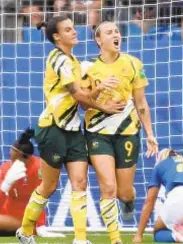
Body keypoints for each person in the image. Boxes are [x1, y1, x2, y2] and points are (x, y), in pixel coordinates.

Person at [16, 16, 124, 244]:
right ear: (57, 36)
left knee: (80, 182)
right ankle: (25, 230)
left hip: (74, 129)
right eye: (68, 29)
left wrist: (99, 88)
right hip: (52, 128)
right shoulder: (59, 60)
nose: (74, 32)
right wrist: (104, 105)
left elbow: (83, 101)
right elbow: (77, 94)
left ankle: (80, 239)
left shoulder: (74, 60)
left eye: (74, 28)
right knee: (49, 185)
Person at [81, 21, 158, 244]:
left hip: (127, 132)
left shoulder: (133, 64)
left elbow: (141, 102)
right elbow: (84, 105)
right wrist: (99, 88)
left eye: (117, 31)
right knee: (108, 187)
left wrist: (150, 134)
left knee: (124, 192)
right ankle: (115, 239)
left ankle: (128, 202)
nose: (116, 35)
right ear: (98, 40)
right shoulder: (88, 68)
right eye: (109, 32)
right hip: (98, 132)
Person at [132, 148, 183, 244]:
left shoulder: (160, 165)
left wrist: (139, 234)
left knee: (158, 232)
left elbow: (149, 202)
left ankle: (176, 236)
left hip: (179, 196)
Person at [0, 128, 64, 238]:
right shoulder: (5, 169)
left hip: (24, 220)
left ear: (28, 158)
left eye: (15, 160)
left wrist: (40, 226)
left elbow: (41, 197)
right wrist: (5, 185)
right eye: (11, 159)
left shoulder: (39, 168)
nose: (12, 163)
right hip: (4, 218)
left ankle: (29, 228)